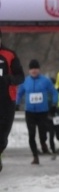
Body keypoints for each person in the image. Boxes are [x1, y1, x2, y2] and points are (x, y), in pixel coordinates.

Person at [17, 59, 58, 165]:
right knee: (31, 134)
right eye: (32, 69)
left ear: (39, 69)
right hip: (29, 112)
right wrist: (16, 104)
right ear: (29, 70)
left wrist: (54, 104)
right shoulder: (25, 81)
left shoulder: (45, 80)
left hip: (42, 112)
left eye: (35, 69)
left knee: (42, 133)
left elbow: (54, 92)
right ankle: (35, 156)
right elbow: (19, 93)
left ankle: (43, 142)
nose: (34, 71)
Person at [0, 28, 25, 172]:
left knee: (3, 132)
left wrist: (8, 79)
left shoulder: (9, 55)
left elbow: (20, 76)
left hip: (6, 100)